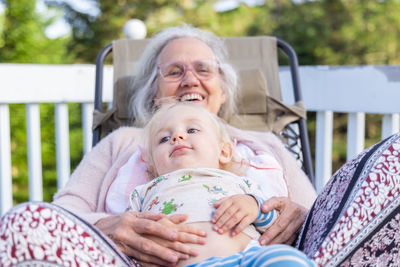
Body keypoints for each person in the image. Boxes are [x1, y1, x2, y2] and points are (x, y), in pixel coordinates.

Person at [0, 24, 399, 267]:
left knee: (393, 160)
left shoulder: (263, 142)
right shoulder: (125, 142)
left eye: (203, 69)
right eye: (174, 72)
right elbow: (62, 215)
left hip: (270, 258)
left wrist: (295, 213)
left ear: (222, 91)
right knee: (21, 223)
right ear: (154, 94)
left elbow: (318, 219)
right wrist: (107, 227)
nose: (190, 80)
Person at [129, 102, 307, 266]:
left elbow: (279, 226)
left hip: (245, 259)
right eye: (164, 139)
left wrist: (255, 207)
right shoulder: (145, 192)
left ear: (224, 151)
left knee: (286, 258)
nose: (177, 136)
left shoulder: (241, 184)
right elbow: (127, 236)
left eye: (192, 130)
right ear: (152, 167)